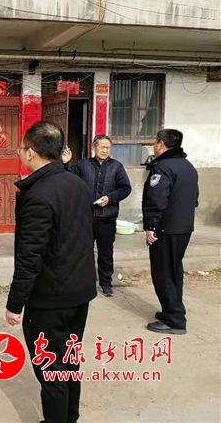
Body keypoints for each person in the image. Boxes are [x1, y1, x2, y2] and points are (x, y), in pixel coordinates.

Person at [5, 121, 96, 423]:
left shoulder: (39, 194)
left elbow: (30, 257)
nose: (21, 153)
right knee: (69, 363)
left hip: (51, 299)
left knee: (52, 371)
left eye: (21, 149)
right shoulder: (78, 184)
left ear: (31, 152)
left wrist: (15, 303)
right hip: (79, 292)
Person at [142, 129, 198, 335]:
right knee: (174, 271)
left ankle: (174, 320)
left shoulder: (163, 167)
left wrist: (151, 227)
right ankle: (171, 311)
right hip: (183, 228)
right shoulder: (188, 166)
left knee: (163, 272)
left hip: (165, 229)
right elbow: (195, 199)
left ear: (160, 144)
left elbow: (156, 201)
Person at [61, 135, 132, 297]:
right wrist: (65, 163)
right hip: (86, 217)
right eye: (102, 147)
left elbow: (125, 188)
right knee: (83, 251)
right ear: (94, 147)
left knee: (106, 252)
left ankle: (106, 283)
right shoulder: (83, 165)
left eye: (108, 148)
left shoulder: (116, 167)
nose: (105, 150)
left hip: (107, 218)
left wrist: (110, 198)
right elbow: (67, 178)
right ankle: (82, 282)